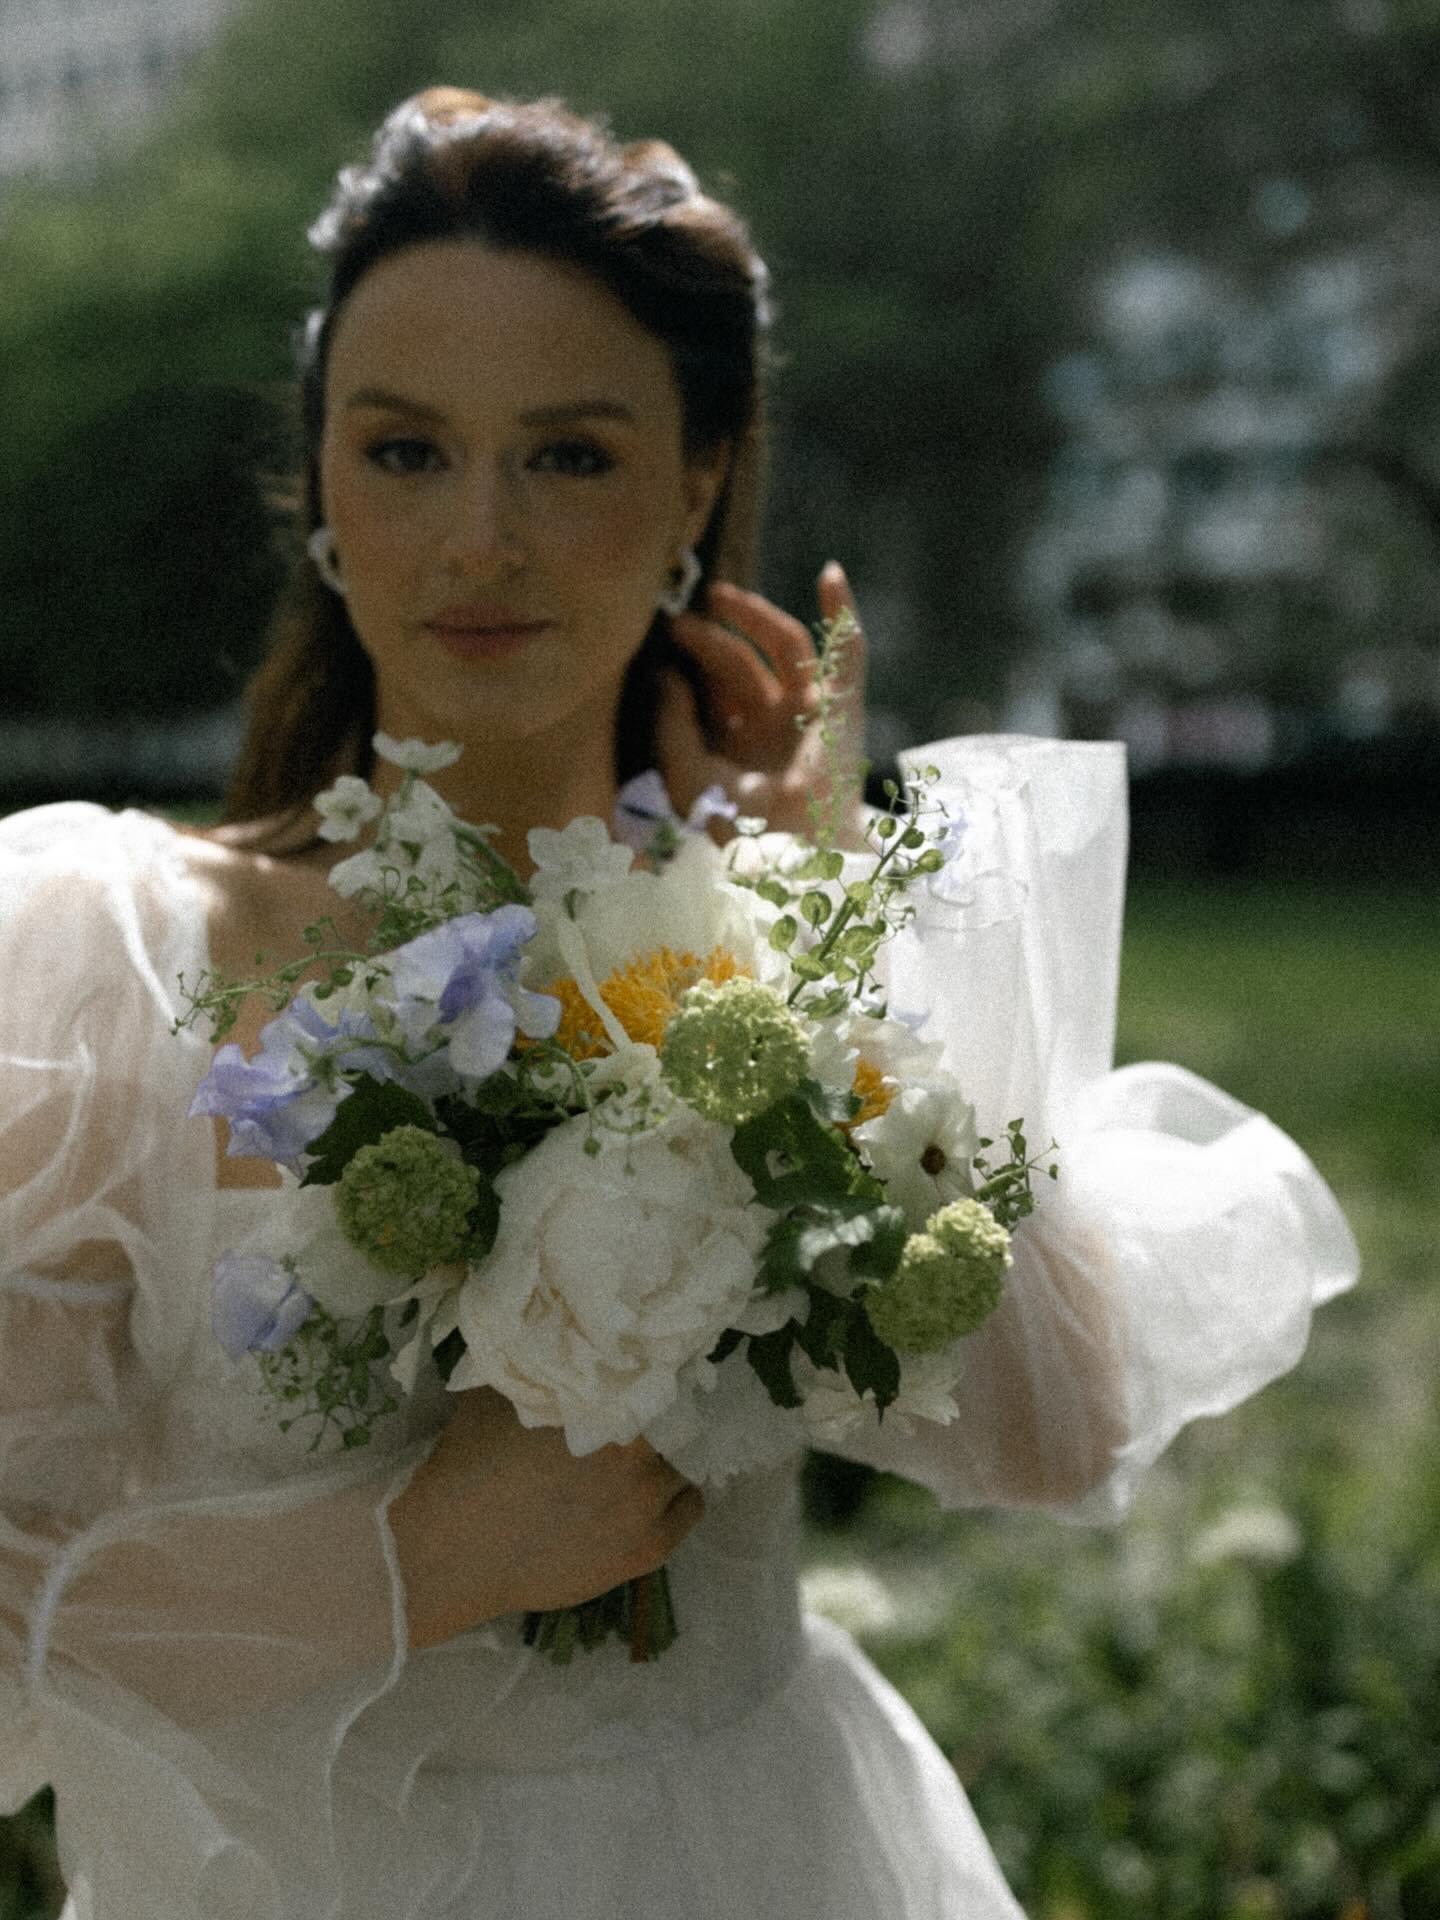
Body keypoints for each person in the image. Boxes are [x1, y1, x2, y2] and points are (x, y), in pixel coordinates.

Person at [0, 88, 1357, 1920]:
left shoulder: (765, 953)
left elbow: (1049, 1432)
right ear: (320, 474)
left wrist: (829, 896)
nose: (479, 539)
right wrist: (417, 1553)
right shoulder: (110, 965)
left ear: (699, 481)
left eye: (568, 457)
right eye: (405, 452)